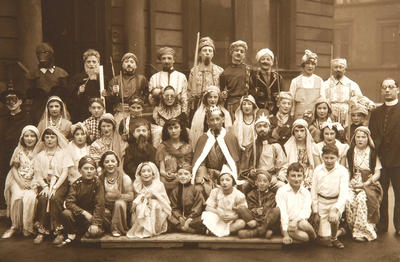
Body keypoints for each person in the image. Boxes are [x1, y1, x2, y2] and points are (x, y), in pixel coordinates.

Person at [369, 78, 400, 234]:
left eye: (391, 87)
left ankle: (399, 226)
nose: (387, 90)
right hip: (381, 161)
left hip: (399, 160)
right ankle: (381, 226)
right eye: (384, 88)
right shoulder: (375, 113)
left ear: (397, 90)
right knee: (381, 195)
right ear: (381, 91)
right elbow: (373, 136)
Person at [32, 127, 72, 245]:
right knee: (43, 198)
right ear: (43, 139)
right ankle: (42, 231)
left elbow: (65, 172)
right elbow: (38, 174)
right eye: (47, 137)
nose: (49, 140)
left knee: (55, 198)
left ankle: (59, 232)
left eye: (52, 137)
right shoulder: (39, 155)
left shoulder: (63, 153)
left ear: (57, 139)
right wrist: (44, 186)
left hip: (60, 183)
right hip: (45, 183)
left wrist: (54, 188)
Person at [192, 106, 242, 196]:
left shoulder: (230, 137)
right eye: (212, 120)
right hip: (207, 175)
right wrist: (203, 177)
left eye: (218, 119)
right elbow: (200, 162)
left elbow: (233, 161)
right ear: (208, 122)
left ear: (223, 120)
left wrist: (224, 176)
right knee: (198, 188)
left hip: (225, 174)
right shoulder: (203, 139)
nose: (215, 122)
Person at [345, 126, 383, 241]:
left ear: (368, 138)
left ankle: (363, 231)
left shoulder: (372, 152)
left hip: (369, 182)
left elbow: (377, 173)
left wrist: (366, 183)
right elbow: (348, 169)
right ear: (354, 138)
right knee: (348, 199)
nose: (360, 139)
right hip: (354, 180)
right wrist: (348, 182)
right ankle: (352, 228)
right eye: (358, 137)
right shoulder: (351, 152)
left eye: (363, 137)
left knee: (362, 199)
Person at [2, 126, 39, 238]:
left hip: (34, 180)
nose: (29, 139)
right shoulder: (18, 150)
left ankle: (28, 226)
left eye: (32, 136)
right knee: (17, 196)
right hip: (17, 178)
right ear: (22, 138)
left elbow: (41, 170)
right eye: (26, 136)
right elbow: (14, 168)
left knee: (31, 197)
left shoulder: (40, 151)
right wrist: (20, 182)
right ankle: (15, 226)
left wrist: (33, 182)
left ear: (37, 138)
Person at [60, 156, 105, 247]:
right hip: (80, 215)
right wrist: (83, 212)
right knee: (66, 213)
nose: (89, 171)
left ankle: (87, 231)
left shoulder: (98, 183)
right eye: (86, 168)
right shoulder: (76, 185)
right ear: (80, 170)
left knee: (95, 231)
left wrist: (95, 223)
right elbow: (69, 202)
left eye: (92, 168)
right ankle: (72, 234)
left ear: (95, 171)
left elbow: (99, 204)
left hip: (93, 215)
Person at [0, 89, 33, 209]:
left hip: (20, 153)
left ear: (20, 101)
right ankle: (4, 207)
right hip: (3, 153)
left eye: (14, 99)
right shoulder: (2, 117)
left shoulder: (27, 118)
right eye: (7, 100)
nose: (11, 103)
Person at [240, 109, 287, 194]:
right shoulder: (251, 147)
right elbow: (244, 169)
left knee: (282, 187)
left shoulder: (275, 145)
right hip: (255, 179)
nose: (262, 129)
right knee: (244, 185)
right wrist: (250, 173)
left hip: (272, 178)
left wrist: (277, 178)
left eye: (265, 126)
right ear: (255, 129)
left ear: (269, 128)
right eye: (259, 126)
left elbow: (283, 166)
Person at [311, 144, 349, 249]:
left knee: (333, 218)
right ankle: (341, 231)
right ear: (322, 157)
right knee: (323, 237)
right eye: (326, 158)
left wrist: (335, 208)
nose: (329, 161)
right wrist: (315, 211)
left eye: (332, 158)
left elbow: (344, 193)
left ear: (337, 157)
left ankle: (334, 238)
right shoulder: (317, 170)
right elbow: (313, 191)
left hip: (335, 202)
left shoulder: (343, 171)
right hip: (321, 203)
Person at [25, 42, 69, 122]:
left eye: (45, 53)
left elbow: (66, 94)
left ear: (51, 55)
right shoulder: (32, 74)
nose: (42, 56)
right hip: (39, 109)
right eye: (39, 53)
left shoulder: (61, 73)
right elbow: (29, 95)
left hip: (56, 108)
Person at [127, 162, 171, 238]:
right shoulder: (138, 185)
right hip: (142, 204)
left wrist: (153, 196)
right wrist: (138, 202)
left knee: (154, 204)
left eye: (149, 171)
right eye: (143, 171)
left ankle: (152, 229)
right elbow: (138, 197)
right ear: (139, 174)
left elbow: (165, 200)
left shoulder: (159, 185)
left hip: (158, 207)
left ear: (153, 174)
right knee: (140, 207)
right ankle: (142, 229)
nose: (146, 174)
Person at [276, 163, 317, 245]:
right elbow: (283, 212)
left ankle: (315, 238)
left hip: (300, 222)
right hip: (286, 224)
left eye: (299, 175)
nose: (296, 179)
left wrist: (296, 221)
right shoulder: (282, 191)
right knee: (305, 237)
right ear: (287, 177)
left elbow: (306, 211)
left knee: (304, 224)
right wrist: (286, 234)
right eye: (293, 175)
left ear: (304, 177)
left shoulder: (305, 192)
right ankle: (309, 239)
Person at [201, 165, 247, 237]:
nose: (224, 182)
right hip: (218, 217)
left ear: (233, 182)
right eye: (222, 180)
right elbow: (207, 207)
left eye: (228, 180)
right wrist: (218, 212)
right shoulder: (215, 191)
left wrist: (234, 217)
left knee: (241, 223)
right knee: (206, 215)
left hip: (231, 219)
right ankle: (218, 231)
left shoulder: (239, 195)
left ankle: (216, 232)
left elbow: (244, 212)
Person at [107, 52, 148, 124]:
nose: (129, 64)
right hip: (121, 112)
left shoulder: (141, 79)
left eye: (132, 62)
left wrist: (139, 103)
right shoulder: (115, 80)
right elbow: (109, 100)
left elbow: (146, 94)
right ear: (122, 65)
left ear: (136, 66)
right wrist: (114, 93)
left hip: (136, 112)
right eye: (126, 62)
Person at [237, 170, 280, 239]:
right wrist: (256, 210)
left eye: (265, 181)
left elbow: (269, 208)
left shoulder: (272, 195)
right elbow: (250, 207)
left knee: (276, 211)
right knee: (241, 208)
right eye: (260, 181)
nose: (262, 183)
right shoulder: (251, 194)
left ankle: (256, 232)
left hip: (266, 220)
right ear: (256, 183)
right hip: (254, 220)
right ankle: (263, 230)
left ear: (269, 184)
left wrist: (263, 212)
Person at [156, 118, 193, 196]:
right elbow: (161, 169)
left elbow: (188, 167)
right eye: (170, 128)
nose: (173, 131)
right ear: (167, 131)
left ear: (181, 129)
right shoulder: (162, 146)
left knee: (182, 181)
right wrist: (166, 174)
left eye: (176, 127)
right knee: (161, 183)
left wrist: (177, 175)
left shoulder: (187, 147)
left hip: (182, 175)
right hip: (165, 176)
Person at [188, 36, 224, 116]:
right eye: (204, 50)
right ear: (200, 54)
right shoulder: (194, 71)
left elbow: (222, 91)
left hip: (214, 105)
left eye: (210, 51)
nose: (207, 52)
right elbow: (189, 90)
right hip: (198, 105)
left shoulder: (220, 71)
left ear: (213, 54)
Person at [321, 58, 362, 127]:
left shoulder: (352, 85)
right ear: (332, 69)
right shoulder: (325, 85)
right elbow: (322, 101)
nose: (338, 69)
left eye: (341, 67)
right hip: (330, 116)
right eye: (335, 67)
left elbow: (360, 100)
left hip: (347, 117)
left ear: (345, 69)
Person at [100, 151, 133, 237]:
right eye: (107, 162)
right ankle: (105, 228)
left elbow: (131, 196)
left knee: (119, 203)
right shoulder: (100, 178)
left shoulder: (125, 178)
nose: (110, 164)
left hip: (122, 209)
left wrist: (118, 196)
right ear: (103, 164)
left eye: (113, 161)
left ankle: (117, 229)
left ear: (117, 163)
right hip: (106, 207)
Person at [149, 47, 188, 114]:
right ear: (160, 60)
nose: (166, 61)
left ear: (174, 60)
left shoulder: (181, 77)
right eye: (164, 58)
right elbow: (151, 99)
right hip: (159, 113)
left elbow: (184, 97)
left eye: (169, 58)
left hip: (177, 112)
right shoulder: (154, 77)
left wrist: (184, 113)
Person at [168, 163, 205, 233]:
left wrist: (190, 218)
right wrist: (179, 217)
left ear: (191, 176)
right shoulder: (175, 191)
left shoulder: (196, 190)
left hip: (193, 218)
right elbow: (173, 207)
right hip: (179, 219)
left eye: (186, 174)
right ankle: (185, 229)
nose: (183, 176)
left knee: (205, 217)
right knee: (168, 216)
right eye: (180, 174)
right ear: (177, 176)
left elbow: (198, 206)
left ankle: (186, 228)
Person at [279, 119, 315, 189]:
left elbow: (313, 166)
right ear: (293, 133)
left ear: (306, 132)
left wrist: (309, 177)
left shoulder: (313, 147)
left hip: (308, 174)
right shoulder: (287, 147)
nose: (299, 133)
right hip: (292, 173)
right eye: (296, 131)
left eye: (302, 131)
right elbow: (285, 164)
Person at [220, 40, 251, 120]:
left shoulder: (249, 70)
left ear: (244, 55)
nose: (239, 53)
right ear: (231, 53)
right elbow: (222, 90)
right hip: (231, 105)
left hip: (245, 104)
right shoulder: (225, 72)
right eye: (236, 51)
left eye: (242, 51)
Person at [69, 49, 102, 122]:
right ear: (84, 63)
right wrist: (79, 92)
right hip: (83, 113)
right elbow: (71, 99)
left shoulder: (103, 78)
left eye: (94, 62)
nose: (91, 64)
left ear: (98, 63)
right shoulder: (77, 78)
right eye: (88, 62)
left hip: (99, 111)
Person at [289, 50, 324, 119]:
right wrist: (292, 113)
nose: (310, 66)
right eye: (307, 63)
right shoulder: (295, 81)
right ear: (303, 65)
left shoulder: (319, 80)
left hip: (314, 115)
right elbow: (291, 100)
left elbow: (322, 99)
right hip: (299, 115)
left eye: (313, 64)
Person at [249, 48, 281, 114]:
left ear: (272, 62)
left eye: (268, 59)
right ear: (259, 62)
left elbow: (282, 93)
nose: (265, 61)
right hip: (258, 109)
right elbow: (250, 94)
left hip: (275, 110)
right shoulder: (253, 77)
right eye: (262, 59)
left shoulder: (278, 77)